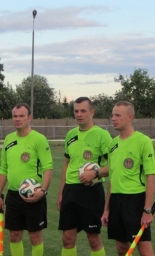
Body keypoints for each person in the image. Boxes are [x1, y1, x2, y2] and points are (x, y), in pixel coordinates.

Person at [0, 103, 53, 256]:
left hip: (34, 195)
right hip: (13, 196)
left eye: (21, 116)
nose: (18, 119)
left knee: (35, 237)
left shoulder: (39, 139)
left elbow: (48, 167)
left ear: (30, 118)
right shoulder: (8, 140)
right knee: (14, 236)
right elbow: (3, 169)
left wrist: (43, 191)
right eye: (15, 116)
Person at [57, 97, 112, 256]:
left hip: (91, 192)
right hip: (70, 191)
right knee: (67, 238)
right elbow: (66, 165)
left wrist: (94, 173)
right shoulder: (70, 135)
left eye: (83, 111)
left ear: (92, 113)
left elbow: (113, 166)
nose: (79, 114)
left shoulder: (102, 135)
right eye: (76, 111)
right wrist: (61, 192)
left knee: (93, 239)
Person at [101, 101, 155, 256]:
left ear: (129, 117)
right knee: (121, 248)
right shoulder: (113, 144)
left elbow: (150, 177)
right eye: (112, 115)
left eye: (118, 115)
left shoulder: (143, 141)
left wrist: (147, 210)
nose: (113, 118)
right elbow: (112, 179)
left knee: (144, 249)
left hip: (135, 201)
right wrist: (107, 209)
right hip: (116, 201)